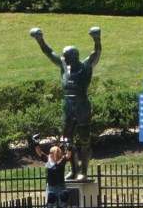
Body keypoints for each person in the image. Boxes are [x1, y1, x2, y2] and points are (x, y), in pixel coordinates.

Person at [30, 25, 102, 180]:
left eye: (67, 57)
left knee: (85, 140)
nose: (64, 59)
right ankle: (74, 169)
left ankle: (83, 171)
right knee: (66, 141)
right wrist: (40, 40)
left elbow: (96, 54)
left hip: (82, 104)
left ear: (75, 57)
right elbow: (50, 53)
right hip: (68, 105)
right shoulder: (64, 66)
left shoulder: (85, 66)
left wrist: (97, 39)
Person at [33, 138, 72, 208]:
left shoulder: (61, 161)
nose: (55, 154)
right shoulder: (48, 160)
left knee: (63, 206)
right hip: (51, 187)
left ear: (59, 153)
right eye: (53, 152)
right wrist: (36, 142)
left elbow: (68, 155)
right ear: (51, 153)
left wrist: (69, 146)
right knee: (49, 206)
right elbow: (39, 152)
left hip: (60, 186)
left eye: (57, 152)